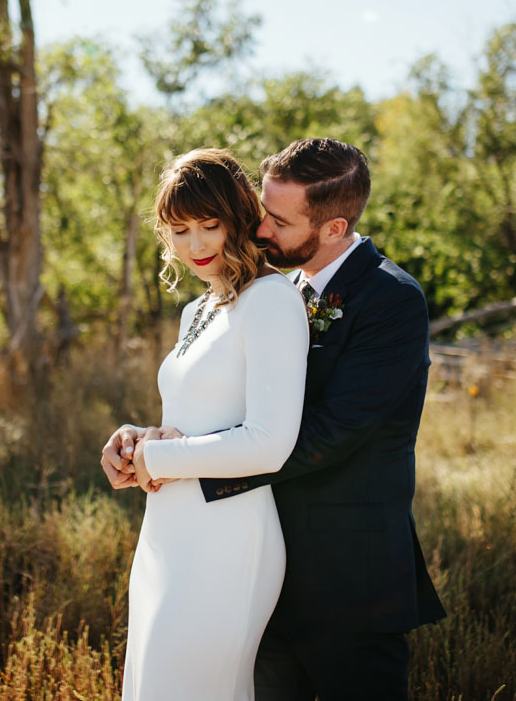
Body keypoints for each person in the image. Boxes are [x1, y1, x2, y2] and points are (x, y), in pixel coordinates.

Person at [103, 138, 445, 700]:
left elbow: (332, 433)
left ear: (332, 228)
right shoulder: (268, 290)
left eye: (277, 220)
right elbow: (233, 405)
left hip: (346, 571)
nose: (259, 229)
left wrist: (171, 460)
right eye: (262, 210)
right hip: (254, 546)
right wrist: (159, 441)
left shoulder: (391, 299)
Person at [113, 148, 310, 701]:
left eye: (208, 225)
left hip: (228, 534)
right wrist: (140, 439)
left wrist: (159, 459)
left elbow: (269, 443)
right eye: (179, 230)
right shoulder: (196, 310)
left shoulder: (272, 299)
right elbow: (193, 422)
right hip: (167, 529)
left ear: (238, 217)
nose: (194, 245)